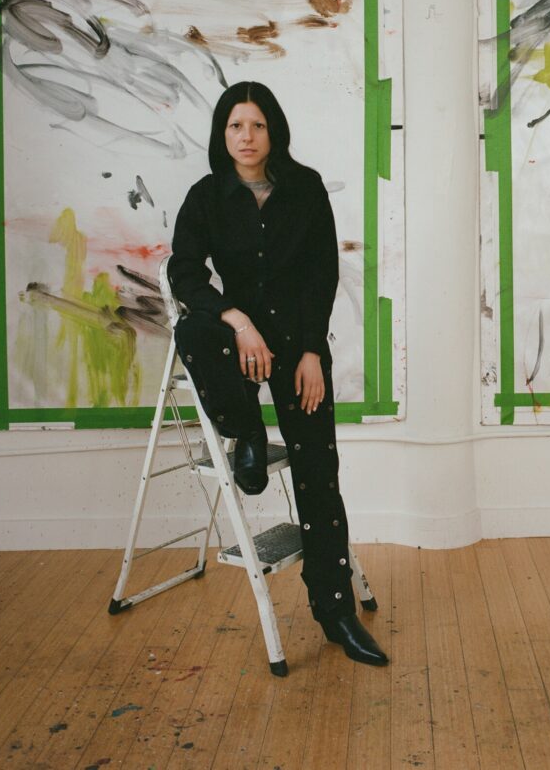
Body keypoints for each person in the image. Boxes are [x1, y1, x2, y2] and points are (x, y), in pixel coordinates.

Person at [167, 80, 387, 667]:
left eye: (257, 125)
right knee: (194, 329)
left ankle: (336, 612)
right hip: (240, 343)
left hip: (296, 343)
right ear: (223, 133)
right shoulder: (206, 196)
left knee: (318, 470)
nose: (246, 136)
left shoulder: (306, 188)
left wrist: (313, 350)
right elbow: (183, 272)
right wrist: (234, 318)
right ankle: (245, 433)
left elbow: (322, 274)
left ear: (274, 132)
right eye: (236, 125)